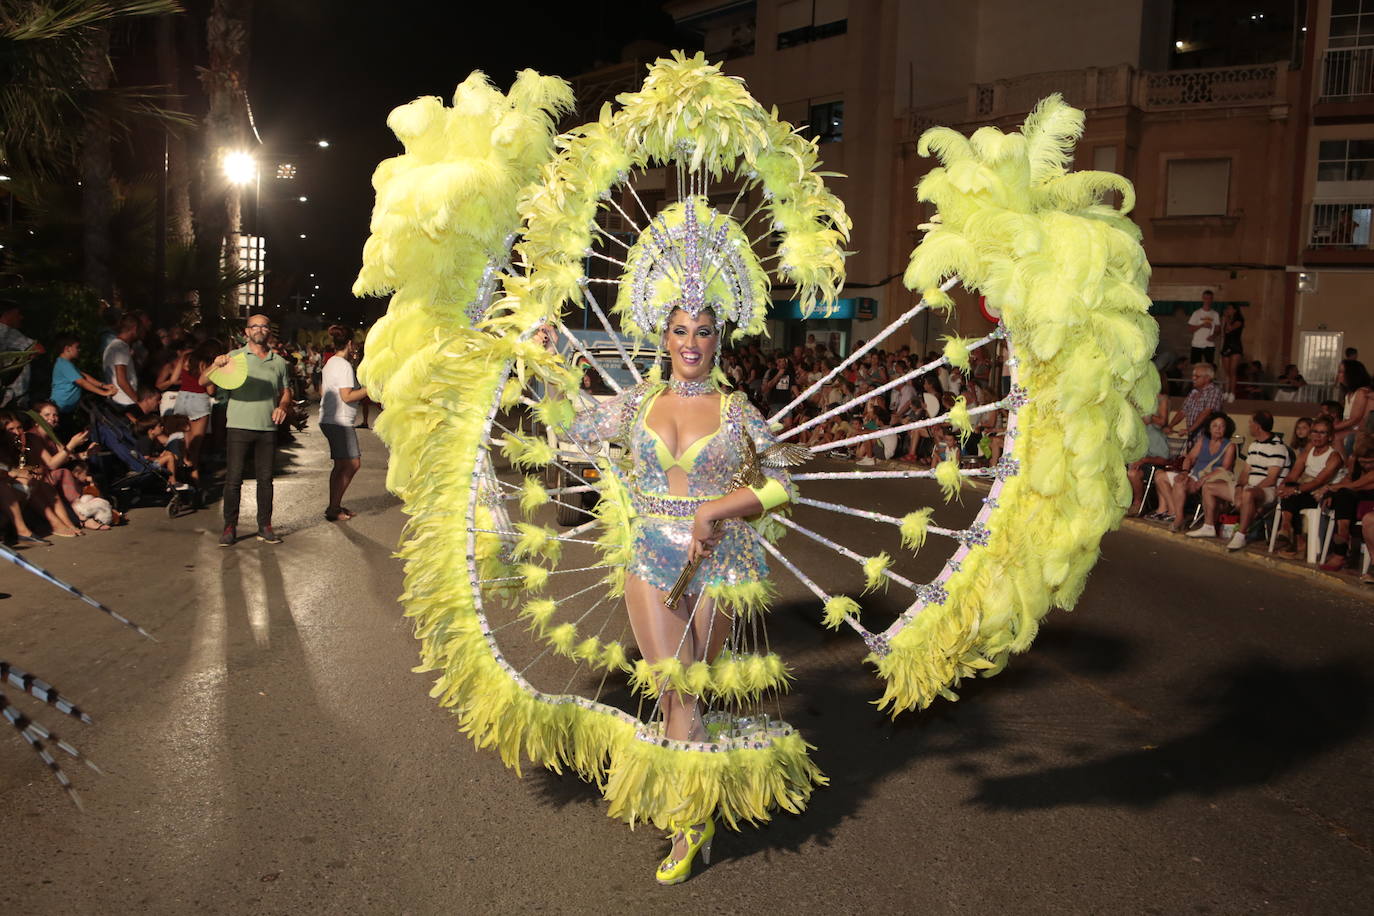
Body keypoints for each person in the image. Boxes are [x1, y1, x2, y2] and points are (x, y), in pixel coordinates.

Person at [563, 299, 795, 884]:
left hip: (721, 561)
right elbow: (576, 424)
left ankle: (690, 797)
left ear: (719, 342)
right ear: (663, 337)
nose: (691, 342)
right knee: (677, 684)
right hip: (648, 553)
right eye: (680, 330)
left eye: (704, 332)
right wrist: (545, 363)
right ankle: (692, 819)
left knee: (688, 692)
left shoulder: (737, 410)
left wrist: (718, 508)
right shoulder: (637, 402)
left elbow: (783, 482)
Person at [204, 315, 292, 546]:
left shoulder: (279, 362)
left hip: (267, 428)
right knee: (233, 480)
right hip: (238, 426)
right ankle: (229, 527)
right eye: (255, 326)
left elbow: (286, 391)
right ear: (247, 331)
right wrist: (215, 364)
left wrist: (282, 406)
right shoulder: (234, 357)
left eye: (264, 325)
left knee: (266, 480)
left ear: (269, 331)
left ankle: (265, 526)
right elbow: (204, 381)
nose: (260, 329)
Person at [1198, 411, 1291, 549]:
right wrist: (1239, 487)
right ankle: (1208, 526)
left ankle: (1240, 535)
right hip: (1249, 487)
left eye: (1250, 423)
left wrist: (1248, 490)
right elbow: (1245, 472)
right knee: (1209, 487)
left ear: (1257, 426)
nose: (1249, 426)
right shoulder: (1254, 445)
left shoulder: (1278, 448)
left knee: (1247, 494)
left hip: (1268, 490)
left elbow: (1271, 479)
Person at [1272, 417, 1344, 558]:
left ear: (1330, 437)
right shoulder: (1308, 451)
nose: (1317, 436)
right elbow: (1293, 475)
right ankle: (1288, 530)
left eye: (1322, 433)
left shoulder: (1334, 457)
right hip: (1306, 488)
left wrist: (1294, 489)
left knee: (1295, 494)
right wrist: (1284, 485)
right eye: (1315, 432)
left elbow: (1319, 481)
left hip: (1324, 492)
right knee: (1290, 490)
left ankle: (1291, 533)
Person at [1154, 411, 1236, 531]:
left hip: (1213, 479)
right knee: (1173, 480)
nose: (1218, 429)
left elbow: (1225, 468)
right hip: (1195, 475)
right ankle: (1178, 515)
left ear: (1226, 428)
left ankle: (1177, 516)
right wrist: (1184, 472)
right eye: (1215, 425)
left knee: (1180, 484)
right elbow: (1190, 457)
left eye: (1222, 426)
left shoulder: (1229, 446)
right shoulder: (1203, 440)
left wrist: (1204, 479)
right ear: (1209, 427)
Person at [319, 327, 369, 521]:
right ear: (350, 344)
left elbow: (325, 391)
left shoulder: (331, 362)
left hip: (330, 419)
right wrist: (368, 389)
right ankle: (333, 508)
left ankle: (334, 506)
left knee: (341, 465)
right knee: (352, 464)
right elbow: (347, 396)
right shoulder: (344, 366)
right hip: (340, 421)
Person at [1319, 434, 1374, 571]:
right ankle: (1343, 535)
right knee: (1343, 495)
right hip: (1354, 494)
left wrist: (1331, 488)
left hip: (1370, 497)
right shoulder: (1354, 461)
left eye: (1370, 462)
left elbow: (1359, 485)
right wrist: (1332, 492)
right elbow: (1348, 480)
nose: (1366, 466)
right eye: (1363, 462)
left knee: (1344, 493)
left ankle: (1340, 552)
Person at [170, 340, 219, 484]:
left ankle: (182, 473)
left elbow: (173, 379)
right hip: (199, 400)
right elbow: (210, 391)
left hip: (182, 398)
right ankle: (194, 478)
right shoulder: (207, 364)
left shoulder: (185, 357)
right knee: (195, 446)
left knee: (185, 443)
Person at [1127, 369, 1173, 515]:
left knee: (1133, 472)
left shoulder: (1162, 398)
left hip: (1154, 445)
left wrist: (1150, 418)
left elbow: (1163, 421)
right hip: (1140, 442)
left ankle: (1138, 503)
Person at [48, 335, 117, 421]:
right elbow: (82, 382)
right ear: (67, 349)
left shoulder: (67, 364)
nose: (79, 350)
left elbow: (85, 377)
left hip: (65, 410)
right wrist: (104, 393)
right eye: (77, 347)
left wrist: (103, 386)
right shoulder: (64, 364)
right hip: (60, 409)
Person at [1165, 363, 1224, 445]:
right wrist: (1170, 426)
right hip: (1193, 438)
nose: (1193, 378)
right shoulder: (1193, 392)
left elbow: (1206, 413)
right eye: (1193, 376)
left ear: (1207, 378)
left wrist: (1189, 430)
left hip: (1207, 439)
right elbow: (1183, 411)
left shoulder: (1214, 391)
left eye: (1197, 376)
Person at [0, 301, 43, 408]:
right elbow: (39, 349)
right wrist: (27, 356)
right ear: (7, 314)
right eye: (17, 314)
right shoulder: (6, 331)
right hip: (11, 399)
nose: (21, 317)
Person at [1333, 358, 1373, 455]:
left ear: (1351, 374)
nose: (1338, 375)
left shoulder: (1361, 392)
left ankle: (1345, 466)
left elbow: (1355, 419)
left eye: (1341, 372)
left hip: (1362, 430)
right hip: (1352, 429)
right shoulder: (1348, 394)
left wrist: (1332, 427)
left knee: (1335, 436)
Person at [102, 315, 142, 411]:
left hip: (116, 399)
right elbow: (121, 380)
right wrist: (138, 401)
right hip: (126, 401)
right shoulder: (121, 348)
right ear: (134, 328)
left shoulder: (112, 346)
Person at [1188, 291, 1220, 366]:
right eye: (1206, 298)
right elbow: (1190, 329)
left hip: (1209, 344)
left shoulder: (1215, 314)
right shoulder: (1196, 313)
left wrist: (1213, 336)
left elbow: (1218, 329)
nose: (1207, 300)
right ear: (1203, 299)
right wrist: (1202, 325)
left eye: (1209, 298)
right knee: (1195, 365)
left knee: (1210, 366)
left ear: (1212, 299)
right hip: (1197, 344)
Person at [1219, 303, 1244, 393]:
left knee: (1232, 371)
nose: (1227, 310)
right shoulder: (1227, 320)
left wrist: (1227, 319)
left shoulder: (1239, 320)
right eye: (1227, 308)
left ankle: (1232, 393)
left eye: (1229, 308)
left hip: (1235, 346)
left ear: (1235, 310)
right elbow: (1223, 334)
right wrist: (1223, 322)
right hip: (1227, 345)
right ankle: (1226, 392)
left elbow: (1230, 328)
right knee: (1227, 372)